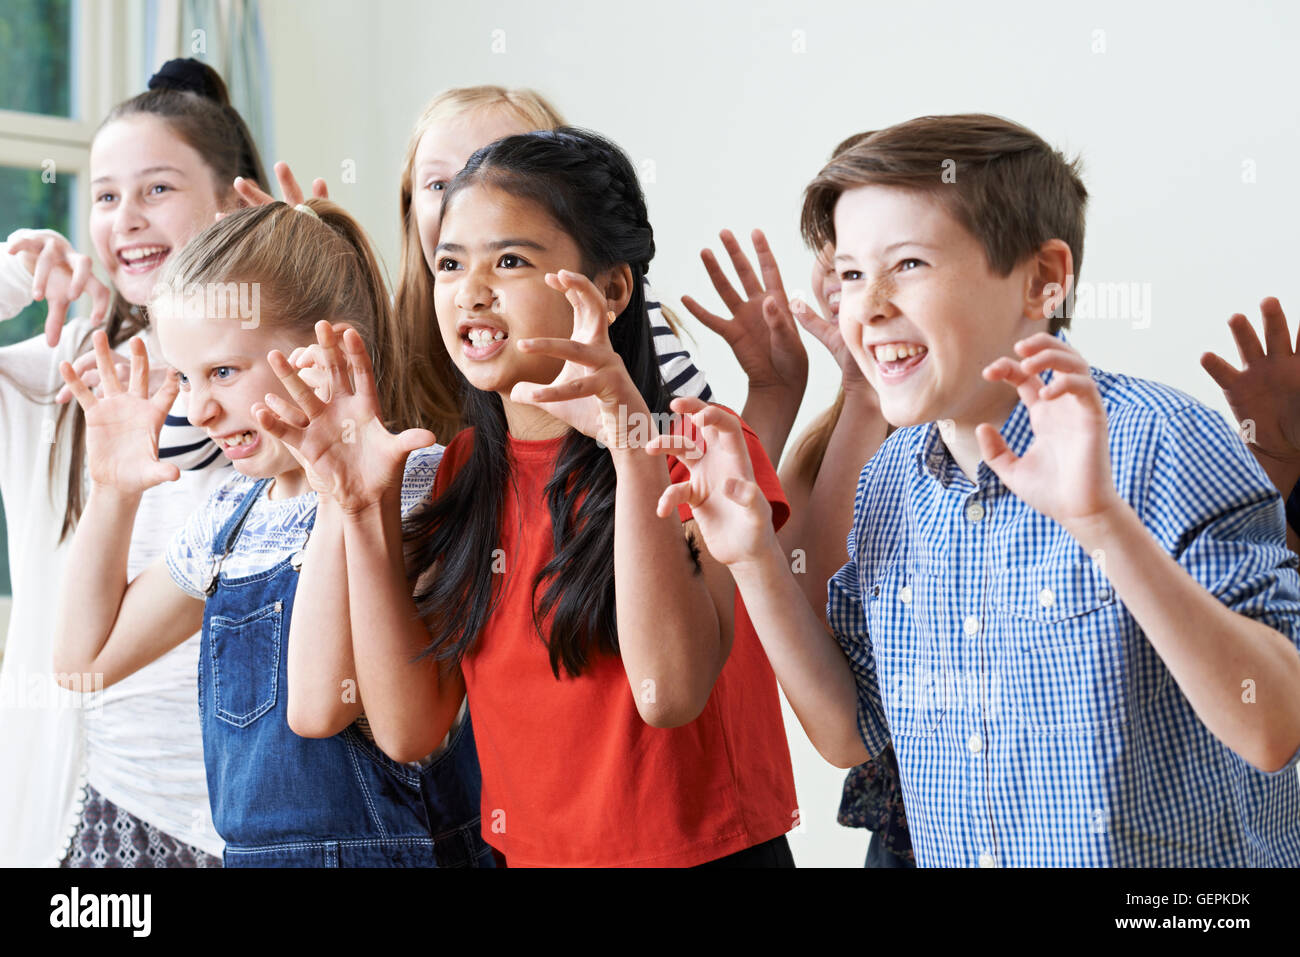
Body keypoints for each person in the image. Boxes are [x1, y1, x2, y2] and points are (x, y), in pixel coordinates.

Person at [656, 113, 1300, 866]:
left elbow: (1276, 725)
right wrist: (756, 558)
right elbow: (848, 734)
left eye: (909, 265)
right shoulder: (892, 481)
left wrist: (1103, 526)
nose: (867, 306)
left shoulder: (1165, 439)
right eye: (854, 275)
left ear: (1041, 280)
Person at [261, 128, 800, 867]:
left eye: (510, 260)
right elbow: (411, 728)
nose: (471, 289)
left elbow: (668, 692)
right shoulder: (459, 473)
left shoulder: (702, 446)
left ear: (611, 289)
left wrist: (631, 451)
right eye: (449, 263)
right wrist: (360, 507)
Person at [53, 198, 491, 867]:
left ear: (327, 354)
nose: (199, 409)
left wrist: (332, 484)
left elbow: (318, 708)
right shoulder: (233, 518)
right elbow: (83, 664)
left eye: (224, 371)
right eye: (187, 377)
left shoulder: (414, 487)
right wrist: (112, 490)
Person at [0, 58, 262, 867]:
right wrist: (7, 279)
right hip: (79, 812)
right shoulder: (68, 367)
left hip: (238, 813)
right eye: (106, 196)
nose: (126, 218)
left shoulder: (282, 376)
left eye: (157, 189)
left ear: (233, 202)